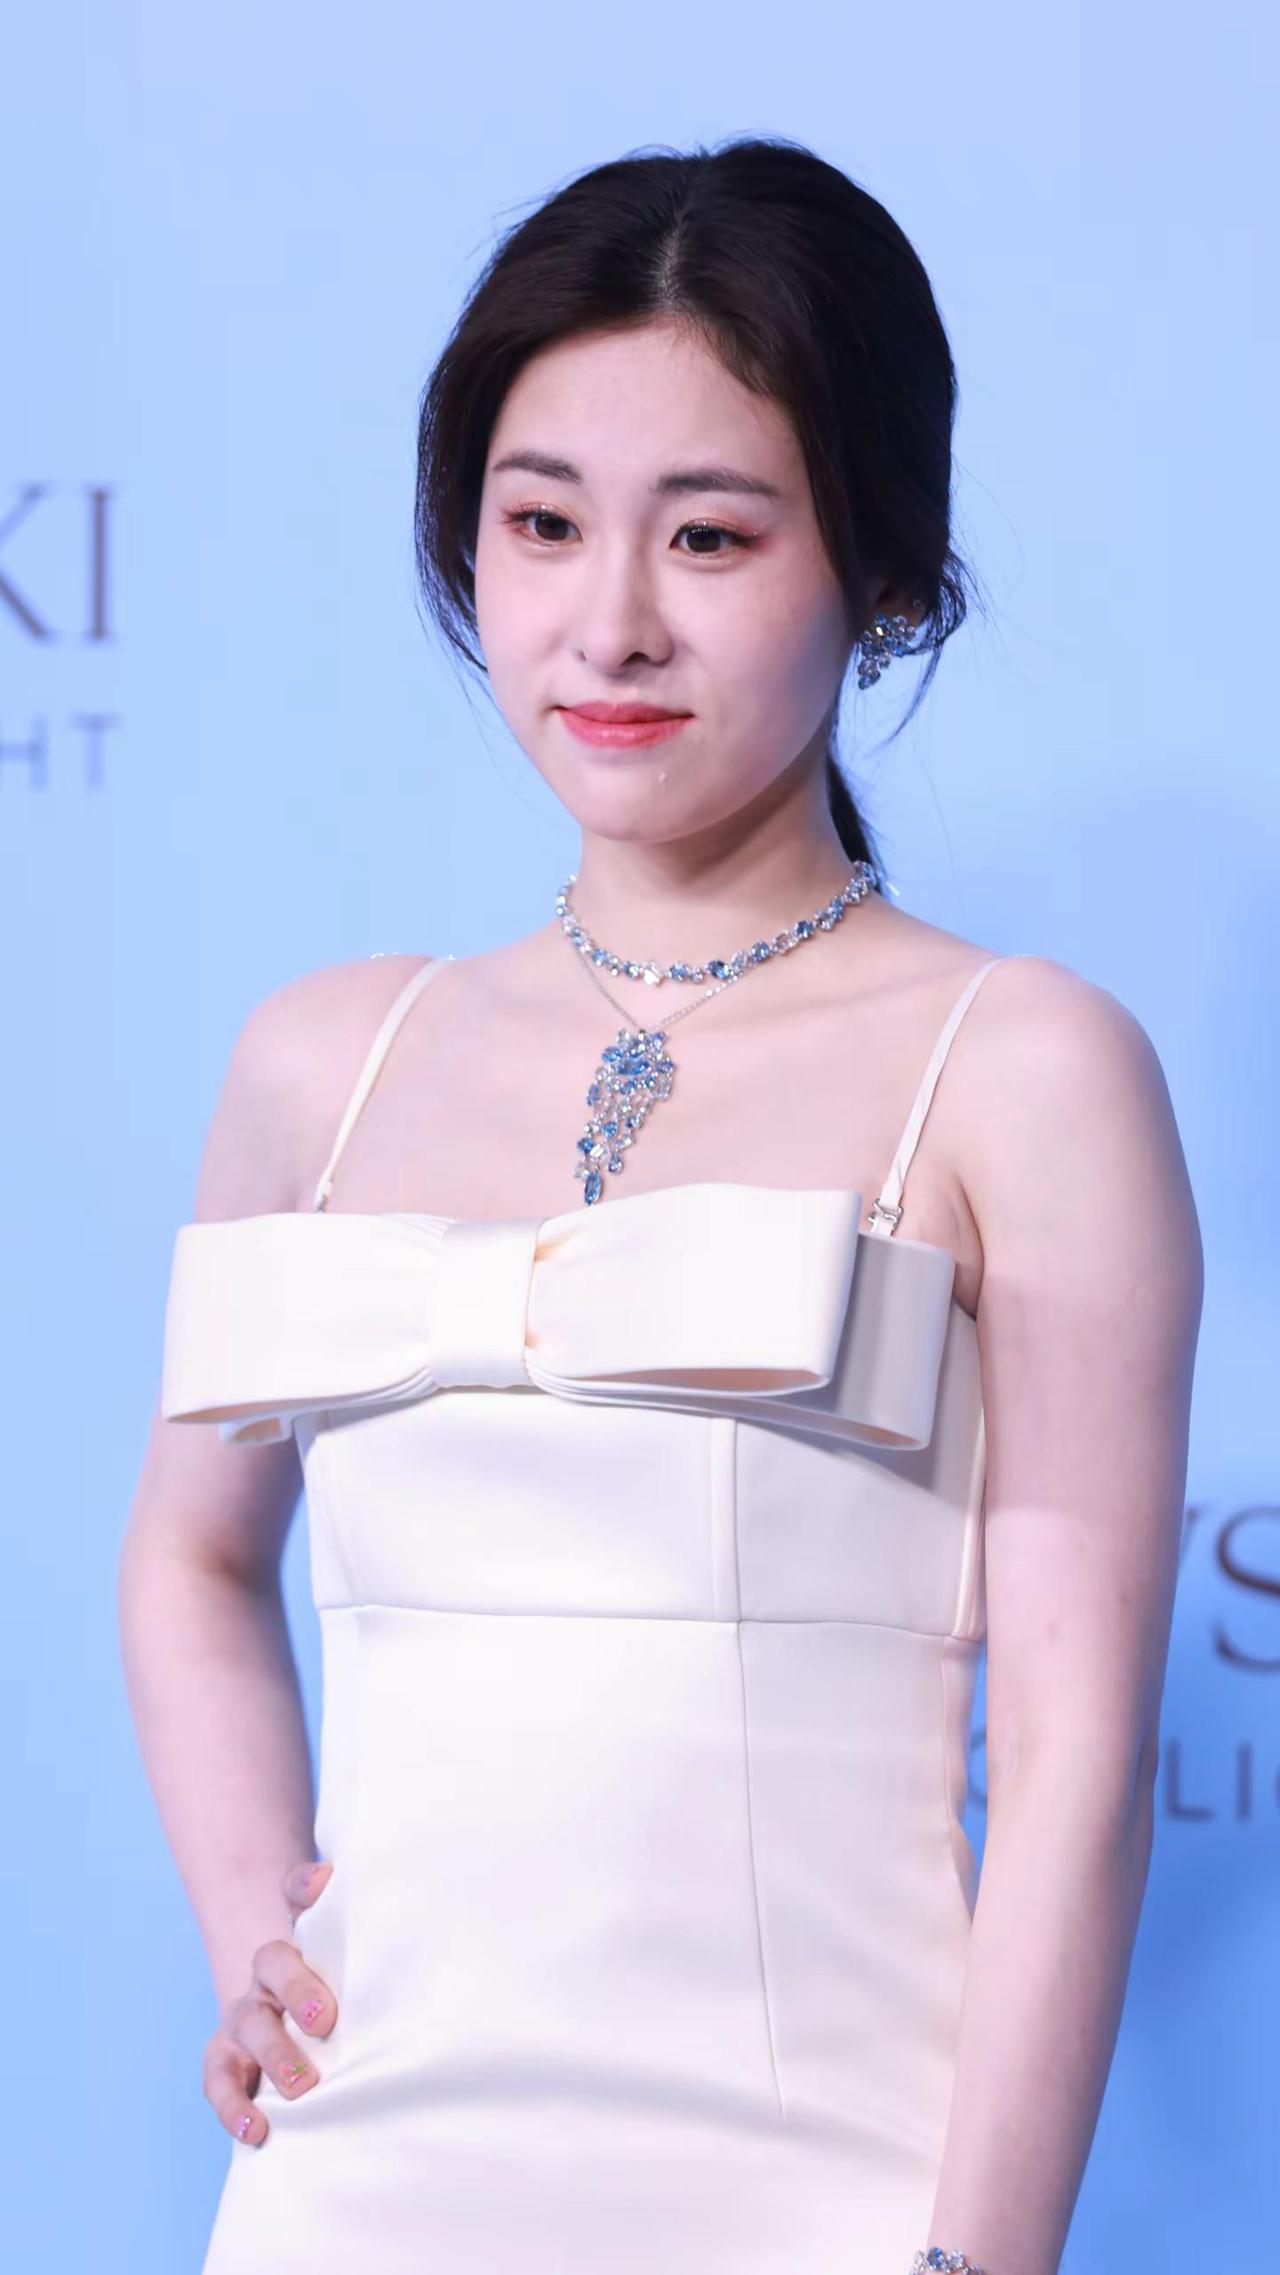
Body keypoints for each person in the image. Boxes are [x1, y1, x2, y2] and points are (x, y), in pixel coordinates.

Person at [119, 135, 1203, 2275]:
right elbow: (186, 1555)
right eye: (540, 524)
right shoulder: (323, 1059)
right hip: (349, 2189)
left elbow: (1078, 1769)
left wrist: (976, 2261)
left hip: (824, 2190)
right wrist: (258, 1925)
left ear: (882, 570)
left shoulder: (1022, 1066)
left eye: (709, 533)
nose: (608, 621)